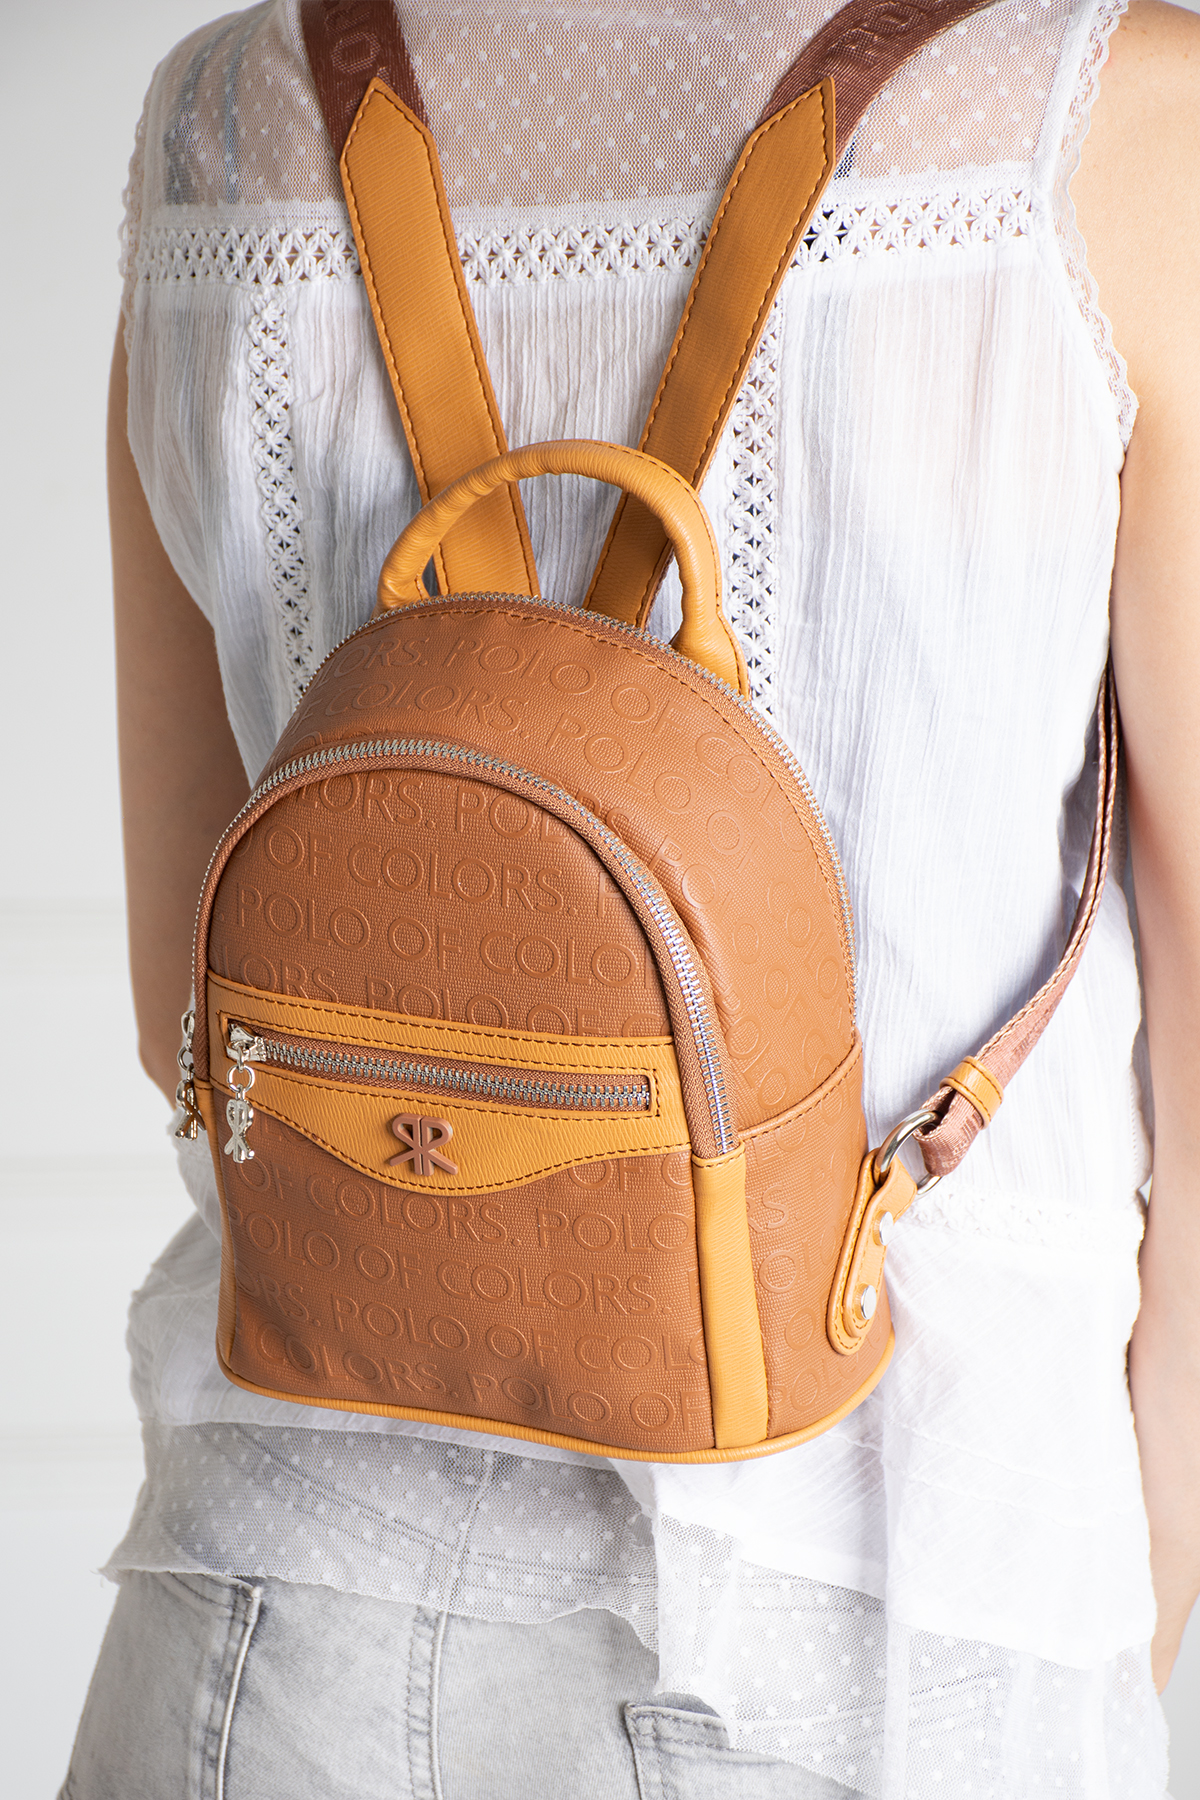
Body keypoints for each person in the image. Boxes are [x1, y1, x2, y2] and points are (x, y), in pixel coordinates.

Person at [63, 0, 1199, 1792]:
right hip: (900, 1614)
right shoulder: (1116, 120)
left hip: (284, 1595)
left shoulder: (224, 115)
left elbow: (185, 1017)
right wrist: (1118, 1636)